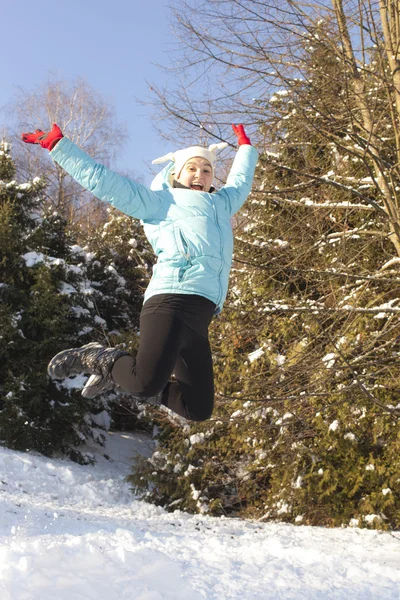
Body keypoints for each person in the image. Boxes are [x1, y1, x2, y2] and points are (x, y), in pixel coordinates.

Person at [21, 122, 258, 421]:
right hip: (171, 301)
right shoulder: (160, 202)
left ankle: (121, 376)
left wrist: (246, 149)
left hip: (201, 315)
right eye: (192, 168)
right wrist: (60, 146)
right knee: (142, 385)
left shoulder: (222, 205)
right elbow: (105, 182)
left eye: (207, 170)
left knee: (197, 408)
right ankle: (98, 357)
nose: (200, 175)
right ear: (176, 173)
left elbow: (241, 182)